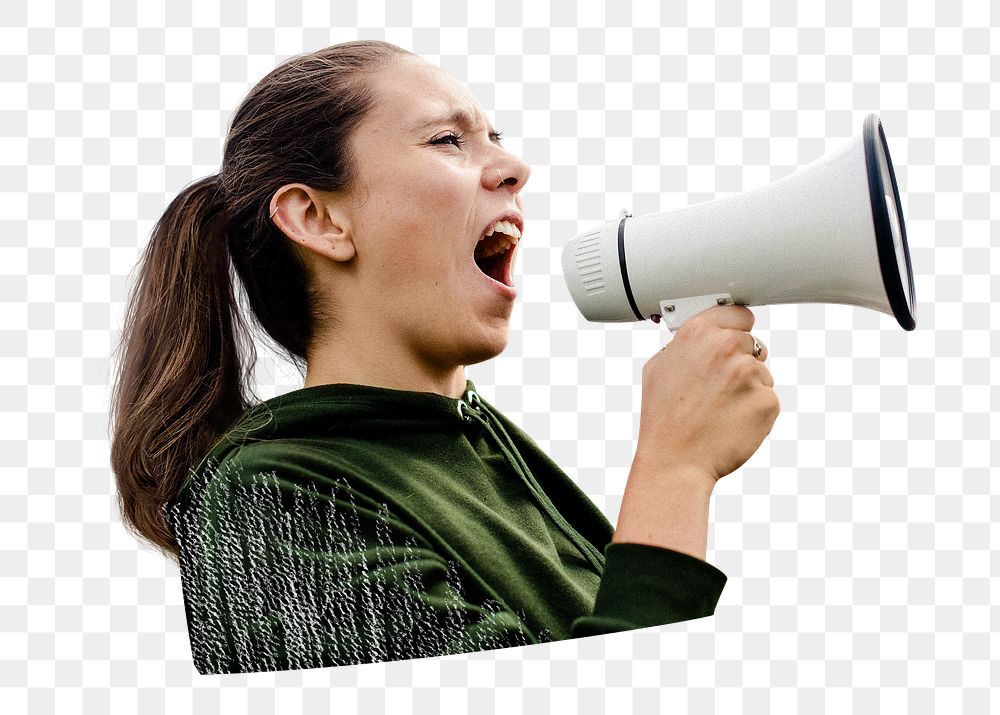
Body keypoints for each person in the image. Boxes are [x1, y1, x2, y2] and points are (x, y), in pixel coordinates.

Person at [109, 40, 780, 675]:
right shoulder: (265, 501)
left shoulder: (477, 446)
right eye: (447, 140)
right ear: (319, 219)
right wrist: (674, 468)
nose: (515, 168)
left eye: (496, 136)